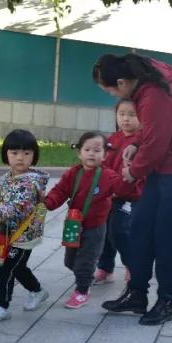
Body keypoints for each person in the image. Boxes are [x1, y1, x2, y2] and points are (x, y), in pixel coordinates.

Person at [93, 54, 172, 326]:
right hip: (165, 168)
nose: (111, 95)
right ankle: (136, 294)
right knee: (140, 228)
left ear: (122, 82)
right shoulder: (147, 89)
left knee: (168, 237)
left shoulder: (157, 94)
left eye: (110, 90)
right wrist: (136, 145)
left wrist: (133, 171)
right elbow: (153, 133)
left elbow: (157, 145)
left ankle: (167, 300)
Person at [43, 132, 136, 309]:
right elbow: (60, 191)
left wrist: (129, 174)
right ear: (79, 153)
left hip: (95, 228)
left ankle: (82, 291)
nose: (91, 153)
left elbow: (122, 188)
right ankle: (85, 276)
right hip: (73, 225)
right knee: (70, 262)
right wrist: (48, 202)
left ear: (105, 155)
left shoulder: (107, 175)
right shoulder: (73, 173)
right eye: (87, 149)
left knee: (85, 261)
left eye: (97, 150)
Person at [0, 129, 50, 323]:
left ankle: (1, 305)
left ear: (34, 155)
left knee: (5, 270)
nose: (20, 158)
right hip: (9, 232)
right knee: (18, 268)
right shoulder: (10, 177)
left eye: (27, 153)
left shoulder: (31, 182)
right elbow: (2, 200)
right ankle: (37, 290)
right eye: (14, 153)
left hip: (23, 235)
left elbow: (20, 207)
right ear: (6, 155)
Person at [95, 98, 142, 285]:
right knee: (104, 230)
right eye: (122, 114)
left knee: (120, 231)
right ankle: (105, 268)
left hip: (131, 196)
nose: (126, 119)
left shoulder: (141, 143)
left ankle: (133, 266)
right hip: (109, 195)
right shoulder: (112, 139)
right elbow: (103, 165)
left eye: (132, 114)